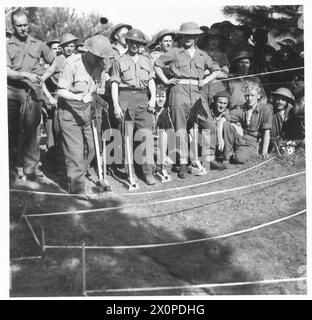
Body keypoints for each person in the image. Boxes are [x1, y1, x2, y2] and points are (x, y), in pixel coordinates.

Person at [154, 22, 228, 179]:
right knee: (180, 130)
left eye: (191, 36)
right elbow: (157, 65)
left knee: (209, 125)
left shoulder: (203, 55)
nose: (188, 38)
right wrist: (166, 81)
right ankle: (182, 165)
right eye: (186, 35)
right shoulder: (174, 52)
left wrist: (206, 80)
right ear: (182, 36)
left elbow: (217, 70)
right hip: (178, 92)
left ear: (196, 37)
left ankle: (209, 158)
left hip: (197, 93)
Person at [57, 35, 113, 194]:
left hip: (87, 112)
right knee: (75, 152)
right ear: (88, 51)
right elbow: (60, 91)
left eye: (102, 58)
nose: (99, 60)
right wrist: (80, 97)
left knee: (93, 148)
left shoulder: (99, 65)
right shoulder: (71, 63)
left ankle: (76, 174)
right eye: (97, 57)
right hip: (70, 112)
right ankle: (76, 187)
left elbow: (99, 85)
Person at [7, 8, 55, 181]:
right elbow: (5, 72)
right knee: (11, 133)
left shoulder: (38, 44)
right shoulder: (6, 45)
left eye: (25, 25)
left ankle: (30, 170)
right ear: (12, 26)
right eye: (19, 25)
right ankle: (12, 169)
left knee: (32, 133)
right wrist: (26, 75)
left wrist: (44, 76)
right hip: (13, 93)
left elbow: (54, 61)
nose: (23, 29)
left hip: (33, 94)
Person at [110, 28, 157, 186]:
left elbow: (151, 81)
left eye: (138, 43)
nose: (134, 45)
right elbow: (115, 84)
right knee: (127, 137)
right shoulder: (119, 60)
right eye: (132, 42)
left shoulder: (147, 60)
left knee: (146, 136)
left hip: (143, 98)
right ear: (127, 42)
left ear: (141, 44)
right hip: (125, 99)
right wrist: (116, 105)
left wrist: (153, 99)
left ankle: (148, 173)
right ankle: (131, 173)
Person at [222, 81, 272, 164]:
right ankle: (227, 154)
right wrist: (234, 125)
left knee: (239, 158)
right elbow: (225, 117)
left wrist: (264, 151)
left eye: (252, 95)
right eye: (247, 96)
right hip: (242, 138)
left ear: (258, 96)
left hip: (253, 141)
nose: (250, 98)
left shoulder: (265, 109)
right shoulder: (242, 108)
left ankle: (242, 152)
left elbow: (266, 132)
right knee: (226, 124)